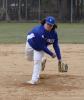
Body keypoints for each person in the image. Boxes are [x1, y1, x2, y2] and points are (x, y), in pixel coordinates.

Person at [25, 16, 62, 85]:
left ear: (53, 26)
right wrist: (51, 54)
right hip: (31, 44)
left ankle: (34, 80)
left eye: (50, 25)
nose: (49, 26)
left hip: (40, 48)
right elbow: (41, 46)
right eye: (47, 24)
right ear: (45, 23)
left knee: (36, 61)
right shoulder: (39, 31)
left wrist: (59, 58)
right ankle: (42, 60)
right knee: (29, 59)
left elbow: (55, 45)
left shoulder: (54, 34)